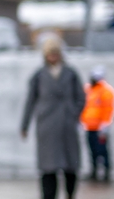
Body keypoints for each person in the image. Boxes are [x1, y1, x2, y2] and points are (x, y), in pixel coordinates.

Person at [20, 36, 86, 199]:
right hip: (47, 126)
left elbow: (81, 97)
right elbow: (30, 101)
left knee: (71, 164)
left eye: (56, 53)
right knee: (48, 166)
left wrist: (73, 112)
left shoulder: (70, 73)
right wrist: (25, 125)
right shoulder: (39, 76)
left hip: (67, 124)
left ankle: (70, 193)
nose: (53, 57)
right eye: (50, 54)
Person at [80, 65, 114, 182]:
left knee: (102, 151)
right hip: (89, 127)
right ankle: (94, 172)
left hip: (100, 128)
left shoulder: (106, 91)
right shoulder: (88, 90)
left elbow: (108, 108)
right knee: (92, 151)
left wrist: (105, 124)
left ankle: (106, 173)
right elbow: (83, 106)